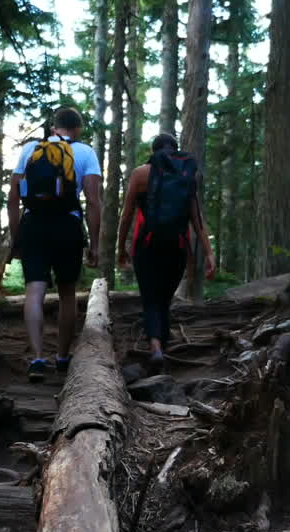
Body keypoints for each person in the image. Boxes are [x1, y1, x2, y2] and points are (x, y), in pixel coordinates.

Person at [7, 107, 103, 382]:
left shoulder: (30, 150)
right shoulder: (85, 153)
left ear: (53, 127)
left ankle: (37, 359)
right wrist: (93, 244)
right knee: (67, 293)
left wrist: (17, 238)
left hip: (33, 224)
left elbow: (13, 198)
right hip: (67, 226)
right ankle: (62, 357)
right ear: (79, 128)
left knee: (34, 290)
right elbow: (93, 201)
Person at [116, 133, 214, 373]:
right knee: (164, 300)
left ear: (153, 150)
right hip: (177, 247)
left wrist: (121, 247)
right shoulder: (185, 175)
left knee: (150, 297)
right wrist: (209, 253)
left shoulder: (140, 174)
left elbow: (127, 214)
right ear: (175, 150)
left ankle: (156, 346)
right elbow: (197, 219)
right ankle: (163, 346)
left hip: (146, 245)